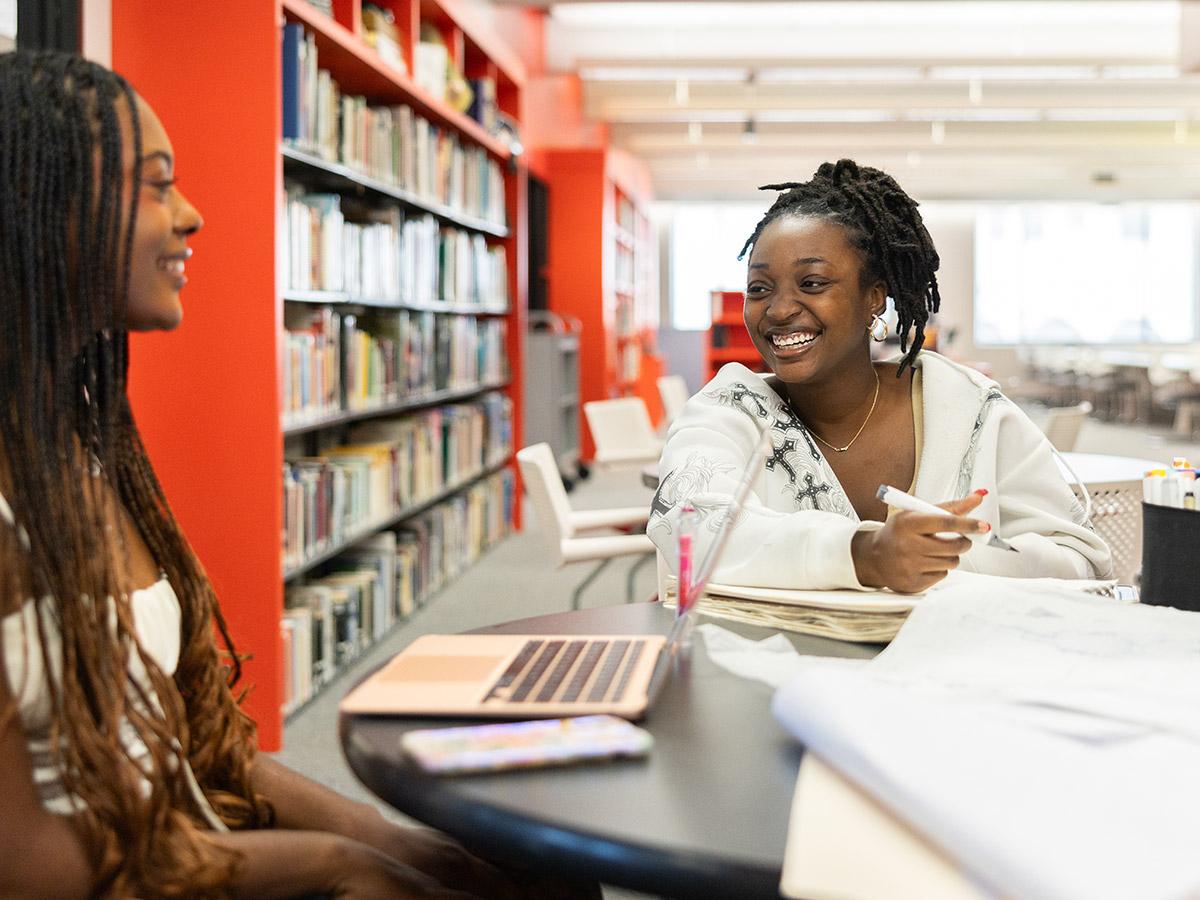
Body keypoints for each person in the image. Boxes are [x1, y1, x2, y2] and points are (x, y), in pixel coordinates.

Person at [0, 51, 595, 900]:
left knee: (541, 877)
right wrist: (338, 864)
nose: (192, 215)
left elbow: (199, 754)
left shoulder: (82, 450)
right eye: (157, 185)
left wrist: (386, 840)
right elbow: (23, 867)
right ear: (40, 205)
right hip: (133, 877)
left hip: (181, 848)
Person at [649, 159, 1111, 594]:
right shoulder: (726, 412)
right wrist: (866, 554)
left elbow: (1080, 560)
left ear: (874, 298)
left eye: (812, 283)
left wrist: (937, 559)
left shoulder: (969, 409)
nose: (779, 309)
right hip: (772, 670)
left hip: (955, 668)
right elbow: (689, 526)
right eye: (759, 288)